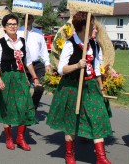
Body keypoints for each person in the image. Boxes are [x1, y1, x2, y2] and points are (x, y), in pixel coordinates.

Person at [46, 11, 112, 164]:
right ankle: (69, 154)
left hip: (90, 86)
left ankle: (101, 157)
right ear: (84, 26)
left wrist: (100, 88)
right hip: (72, 87)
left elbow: (96, 69)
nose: (94, 27)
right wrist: (77, 65)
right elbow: (61, 69)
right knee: (72, 122)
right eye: (92, 24)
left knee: (97, 117)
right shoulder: (70, 44)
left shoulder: (94, 44)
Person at [0, 13, 39, 151]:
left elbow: (28, 62)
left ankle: (20, 138)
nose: (12, 26)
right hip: (6, 78)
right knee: (8, 108)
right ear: (4, 27)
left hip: (20, 78)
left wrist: (34, 77)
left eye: (14, 24)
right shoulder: (0, 42)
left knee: (24, 107)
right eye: (9, 24)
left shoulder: (22, 41)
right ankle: (9, 137)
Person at [17, 14, 51, 111]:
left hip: (36, 64)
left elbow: (43, 49)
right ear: (23, 19)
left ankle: (33, 107)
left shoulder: (38, 32)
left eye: (30, 18)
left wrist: (47, 63)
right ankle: (22, 108)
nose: (27, 20)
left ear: (33, 19)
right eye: (25, 18)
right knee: (23, 88)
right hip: (22, 64)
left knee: (40, 88)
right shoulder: (19, 31)